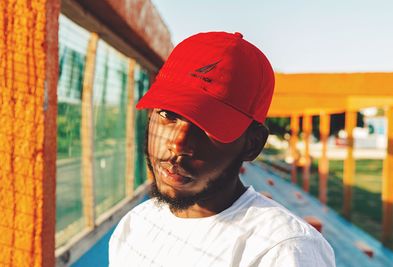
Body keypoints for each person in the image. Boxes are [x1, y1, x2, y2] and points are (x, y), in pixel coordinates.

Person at [109, 31, 335, 266]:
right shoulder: (136, 225)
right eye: (167, 115)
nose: (177, 143)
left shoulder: (282, 250)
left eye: (208, 126)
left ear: (252, 145)